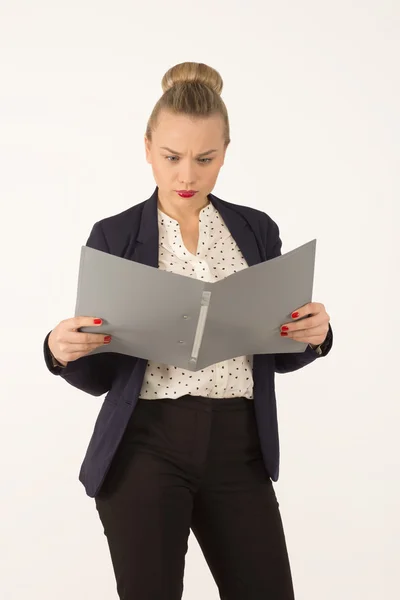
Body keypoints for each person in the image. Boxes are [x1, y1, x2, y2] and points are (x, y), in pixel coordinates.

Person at [43, 61, 333, 600]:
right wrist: (62, 351)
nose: (187, 176)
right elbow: (104, 371)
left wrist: (313, 335)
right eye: (172, 157)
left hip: (239, 446)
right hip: (146, 445)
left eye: (206, 159)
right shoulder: (115, 235)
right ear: (148, 147)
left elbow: (274, 349)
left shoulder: (255, 229)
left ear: (226, 151)